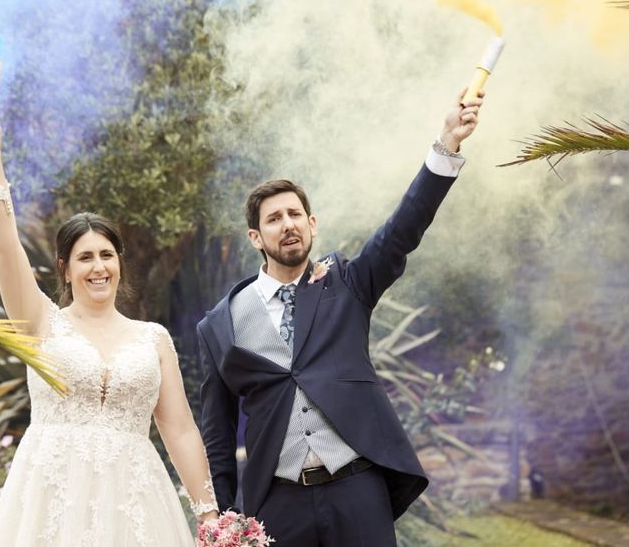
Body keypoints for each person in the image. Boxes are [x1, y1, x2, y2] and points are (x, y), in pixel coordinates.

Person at [197, 88, 486, 546]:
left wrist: (447, 143)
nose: (287, 223)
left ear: (313, 225)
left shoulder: (347, 282)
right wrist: (228, 518)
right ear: (256, 236)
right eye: (274, 219)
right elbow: (218, 432)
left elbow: (401, 231)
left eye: (296, 214)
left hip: (357, 490)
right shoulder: (220, 324)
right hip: (277, 503)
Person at [0, 103, 218, 546]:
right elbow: (6, 246)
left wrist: (210, 517)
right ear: (65, 269)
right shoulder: (39, 321)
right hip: (52, 504)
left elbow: (179, 429)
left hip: (135, 508)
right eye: (85, 257)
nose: (98, 267)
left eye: (107, 255)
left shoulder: (153, 339)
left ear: (119, 263)